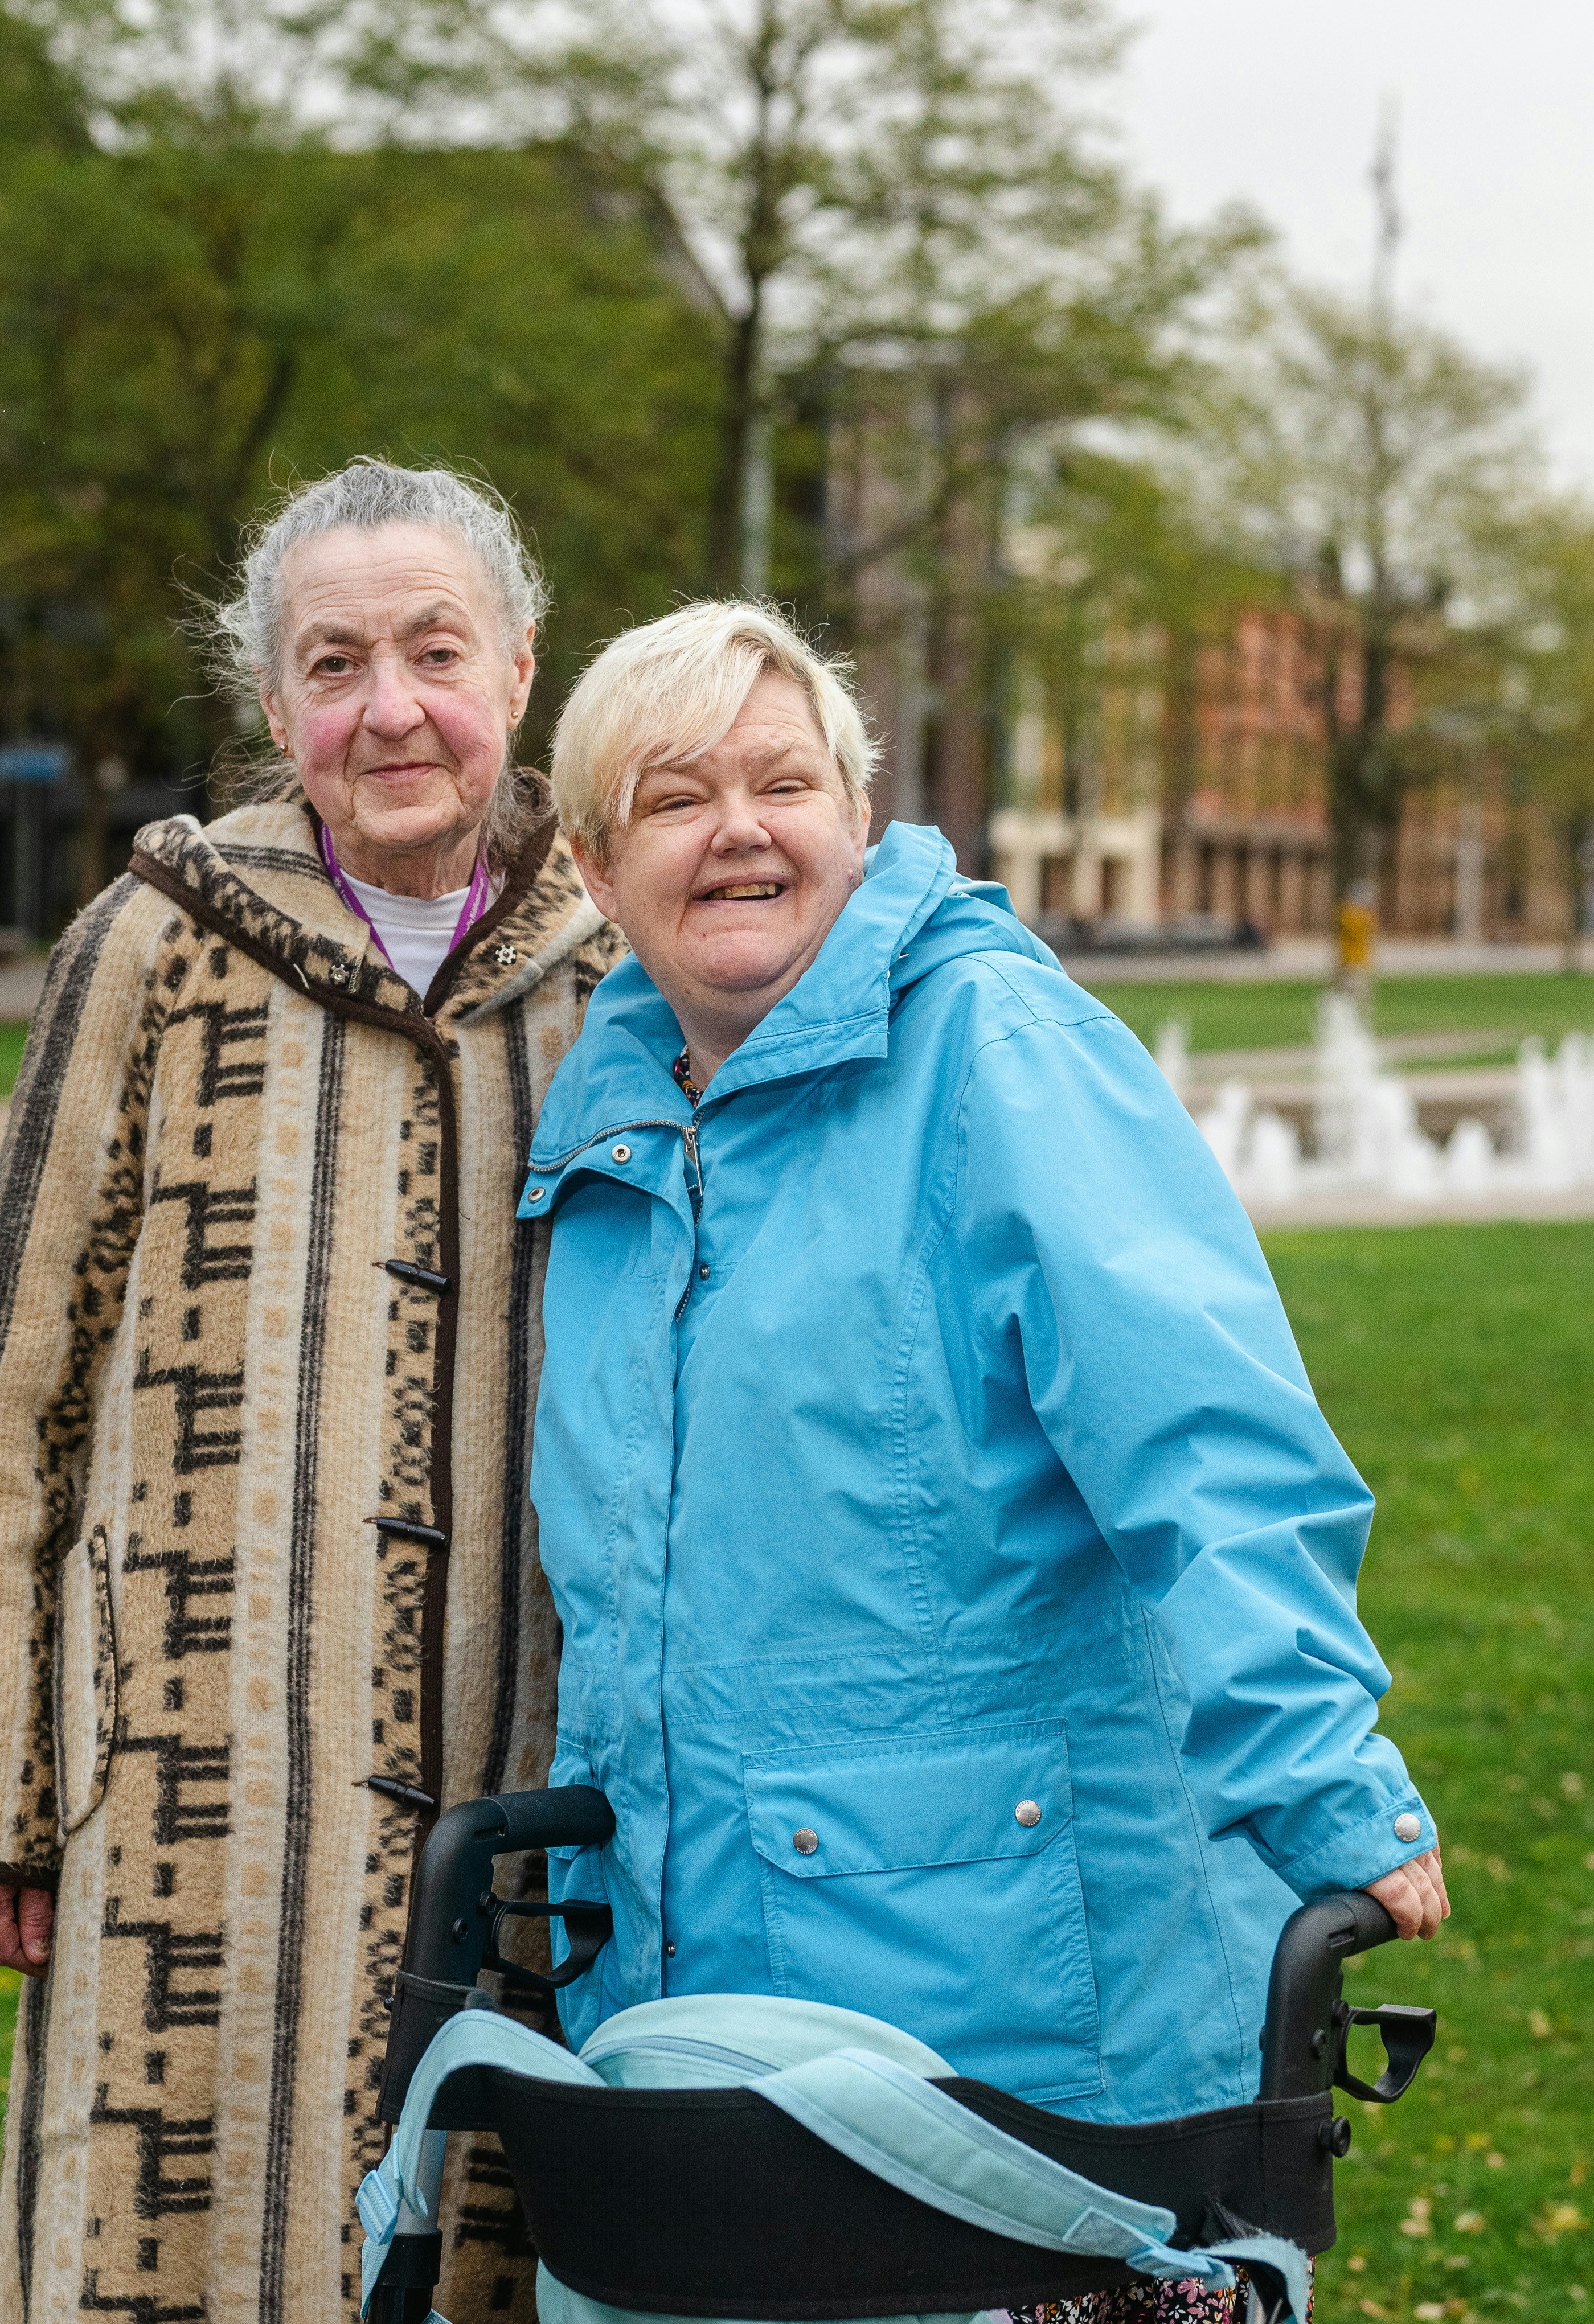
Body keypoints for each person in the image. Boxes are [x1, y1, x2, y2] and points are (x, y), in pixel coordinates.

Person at [519, 605, 1447, 2293]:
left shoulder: (998, 1057)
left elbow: (1207, 1432)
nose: (738, 828)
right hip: (684, 1987)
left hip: (997, 1974)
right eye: (673, 797)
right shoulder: (605, 1134)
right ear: (591, 862)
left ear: (856, 823)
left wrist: (1319, 1766)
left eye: (782, 781)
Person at [0, 459, 618, 2323]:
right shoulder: (151, 946)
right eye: (334, 663)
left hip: (532, 1766)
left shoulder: (616, 970)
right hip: (192, 1777)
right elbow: (15, 1387)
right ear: (275, 709)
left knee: (479, 2240)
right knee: (174, 2242)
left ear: (516, 670)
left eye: (433, 651)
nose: (390, 709)